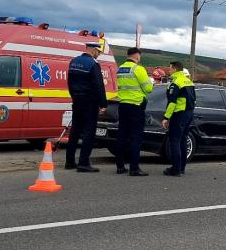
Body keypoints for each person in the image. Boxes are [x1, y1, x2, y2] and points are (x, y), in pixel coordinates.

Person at [65, 42, 108, 172]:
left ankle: (70, 161)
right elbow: (98, 85)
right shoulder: (93, 64)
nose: (98, 55)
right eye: (98, 52)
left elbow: (69, 82)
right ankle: (83, 163)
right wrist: (103, 104)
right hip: (90, 101)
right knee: (89, 131)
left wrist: (74, 96)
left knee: (75, 131)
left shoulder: (73, 62)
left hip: (77, 99)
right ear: (94, 50)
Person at [115, 47, 153, 176]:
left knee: (122, 136)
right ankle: (134, 168)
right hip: (136, 106)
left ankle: (120, 166)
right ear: (137, 56)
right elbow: (148, 88)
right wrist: (150, 83)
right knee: (136, 137)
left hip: (123, 105)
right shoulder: (138, 69)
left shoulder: (120, 68)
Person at [162, 61, 196, 176]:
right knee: (183, 140)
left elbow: (172, 102)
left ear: (175, 69)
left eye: (170, 68)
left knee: (174, 140)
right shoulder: (189, 82)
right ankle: (181, 167)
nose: (169, 70)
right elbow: (194, 99)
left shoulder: (175, 82)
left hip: (179, 114)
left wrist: (166, 117)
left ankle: (175, 169)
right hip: (189, 114)